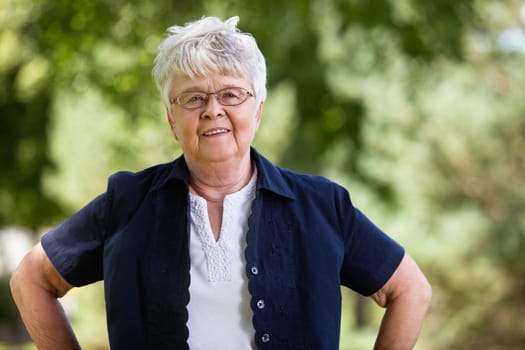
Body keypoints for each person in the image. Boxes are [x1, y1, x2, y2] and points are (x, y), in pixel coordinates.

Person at [10, 15, 431, 350]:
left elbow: (410, 289)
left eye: (231, 94)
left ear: (258, 110)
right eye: (193, 98)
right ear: (172, 121)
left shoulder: (321, 205)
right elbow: (30, 278)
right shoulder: (127, 203)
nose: (213, 110)